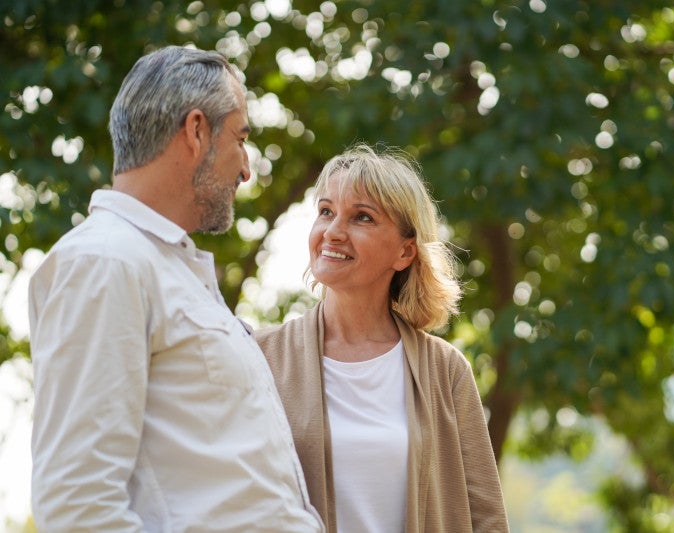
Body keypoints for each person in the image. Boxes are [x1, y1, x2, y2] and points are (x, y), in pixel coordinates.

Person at [28, 46, 323, 532]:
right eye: (240, 139)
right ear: (196, 130)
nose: (246, 168)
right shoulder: (104, 263)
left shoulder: (161, 267)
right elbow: (77, 508)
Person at [256, 144, 509, 532]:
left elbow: (486, 519)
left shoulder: (446, 371)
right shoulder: (259, 357)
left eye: (361, 217)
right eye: (326, 211)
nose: (333, 232)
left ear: (405, 252)